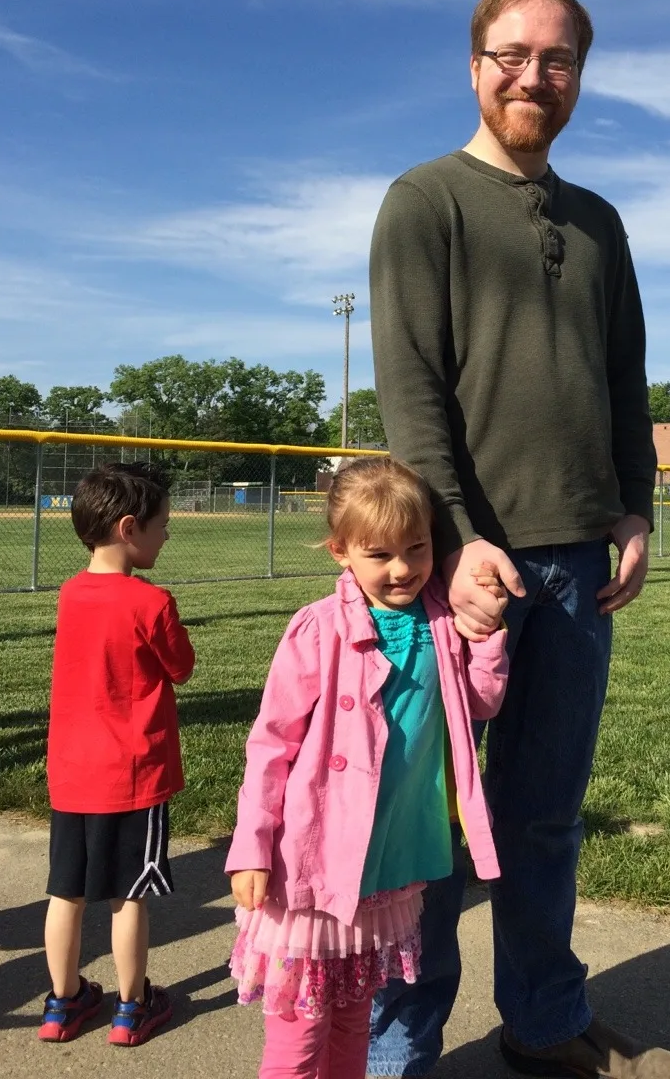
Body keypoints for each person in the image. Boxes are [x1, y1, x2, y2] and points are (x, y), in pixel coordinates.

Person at [369, 0, 670, 1078]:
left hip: (578, 562)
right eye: (511, 54)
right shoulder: (426, 200)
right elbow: (410, 391)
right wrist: (450, 541)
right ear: (473, 65)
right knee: (429, 826)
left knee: (544, 815)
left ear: (578, 79)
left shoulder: (601, 223)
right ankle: (398, 1047)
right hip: (460, 570)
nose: (531, 76)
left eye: (556, 60)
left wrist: (635, 502)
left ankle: (542, 1020)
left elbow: (626, 378)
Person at [224, 456, 508, 1079]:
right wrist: (251, 846)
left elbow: (481, 703)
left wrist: (487, 640)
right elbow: (270, 744)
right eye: (379, 554)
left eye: (417, 547)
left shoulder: (444, 624)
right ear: (340, 552)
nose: (403, 568)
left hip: (388, 866)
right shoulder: (317, 630)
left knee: (355, 1019)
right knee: (299, 1037)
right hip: (312, 863)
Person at [40, 461, 195, 1047]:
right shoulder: (150, 601)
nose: (167, 534)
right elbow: (181, 667)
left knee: (66, 891)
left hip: (71, 772)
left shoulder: (70, 592)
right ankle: (131, 1008)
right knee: (128, 896)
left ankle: (62, 1002)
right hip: (133, 774)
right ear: (130, 528)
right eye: (162, 524)